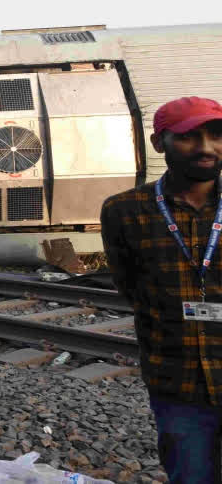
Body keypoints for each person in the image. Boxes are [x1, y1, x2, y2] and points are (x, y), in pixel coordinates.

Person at [102, 96, 222, 484]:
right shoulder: (125, 210)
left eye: (217, 135)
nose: (207, 148)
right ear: (159, 143)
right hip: (178, 381)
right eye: (189, 136)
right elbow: (131, 287)